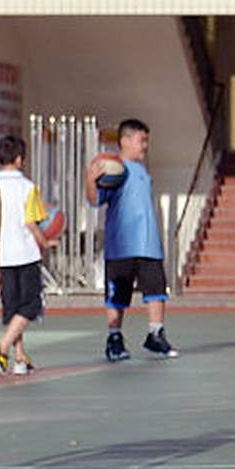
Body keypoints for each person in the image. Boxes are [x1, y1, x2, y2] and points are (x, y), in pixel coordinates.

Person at [85, 119, 176, 363]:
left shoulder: (142, 170)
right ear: (125, 141)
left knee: (157, 290)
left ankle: (155, 334)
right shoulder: (113, 168)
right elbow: (95, 200)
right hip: (121, 245)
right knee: (117, 295)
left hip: (148, 244)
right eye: (141, 140)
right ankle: (114, 338)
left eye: (146, 140)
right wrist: (90, 180)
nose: (145, 145)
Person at [0, 135, 61, 375]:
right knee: (31, 305)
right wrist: (45, 242)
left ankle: (19, 357)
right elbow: (31, 222)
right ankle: (1, 347)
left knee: (13, 309)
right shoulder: (28, 187)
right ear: (20, 159)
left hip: (2, 255)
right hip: (25, 254)